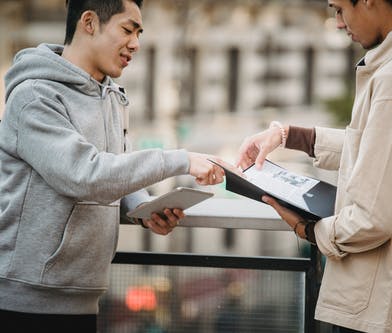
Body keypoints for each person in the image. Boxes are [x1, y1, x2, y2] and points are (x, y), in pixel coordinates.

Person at [236, 0, 392, 332]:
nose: (339, 23)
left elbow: (378, 216)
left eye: (340, 9)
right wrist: (289, 136)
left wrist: (309, 230)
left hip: (376, 304)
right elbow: (387, 149)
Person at [0, 0, 224, 331]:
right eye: (127, 29)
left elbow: (116, 169)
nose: (135, 43)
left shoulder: (112, 97)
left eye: (139, 33)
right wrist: (182, 160)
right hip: (25, 300)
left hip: (84, 297)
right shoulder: (35, 97)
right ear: (89, 22)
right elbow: (84, 174)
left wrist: (144, 208)